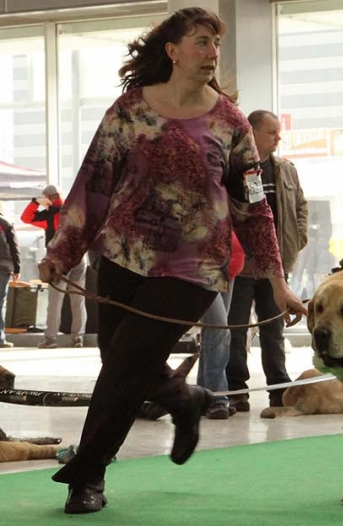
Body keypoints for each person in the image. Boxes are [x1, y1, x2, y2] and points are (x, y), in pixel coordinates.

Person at [36, 8, 306, 515]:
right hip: (122, 256)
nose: (211, 54)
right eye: (201, 43)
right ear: (173, 50)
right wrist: (60, 253)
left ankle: (87, 472)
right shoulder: (129, 110)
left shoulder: (231, 123)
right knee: (117, 359)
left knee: (126, 365)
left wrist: (277, 282)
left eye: (215, 46)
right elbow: (93, 185)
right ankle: (186, 399)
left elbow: (253, 206)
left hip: (195, 267)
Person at [226, 110, 308, 411]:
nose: (278, 138)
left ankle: (278, 389)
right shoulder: (234, 168)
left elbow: (300, 206)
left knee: (274, 329)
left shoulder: (286, 169)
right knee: (235, 329)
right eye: (272, 132)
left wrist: (297, 239)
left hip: (276, 266)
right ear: (253, 132)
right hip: (242, 264)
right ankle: (236, 388)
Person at [20, 185, 87, 348]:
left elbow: (26, 218)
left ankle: (50, 339)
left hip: (58, 262)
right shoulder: (74, 210)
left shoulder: (50, 215)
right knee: (78, 301)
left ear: (48, 198)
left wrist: (36, 203)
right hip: (78, 259)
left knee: (55, 301)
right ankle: (78, 337)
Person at [196, 232, 245, 419]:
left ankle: (203, 397)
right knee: (219, 329)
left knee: (213, 333)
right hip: (203, 266)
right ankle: (217, 398)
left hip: (230, 264)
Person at [0, 203, 20, 349]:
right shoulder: (6, 224)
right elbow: (14, 246)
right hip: (4, 266)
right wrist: (17, 268)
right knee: (1, 303)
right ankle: (0, 339)